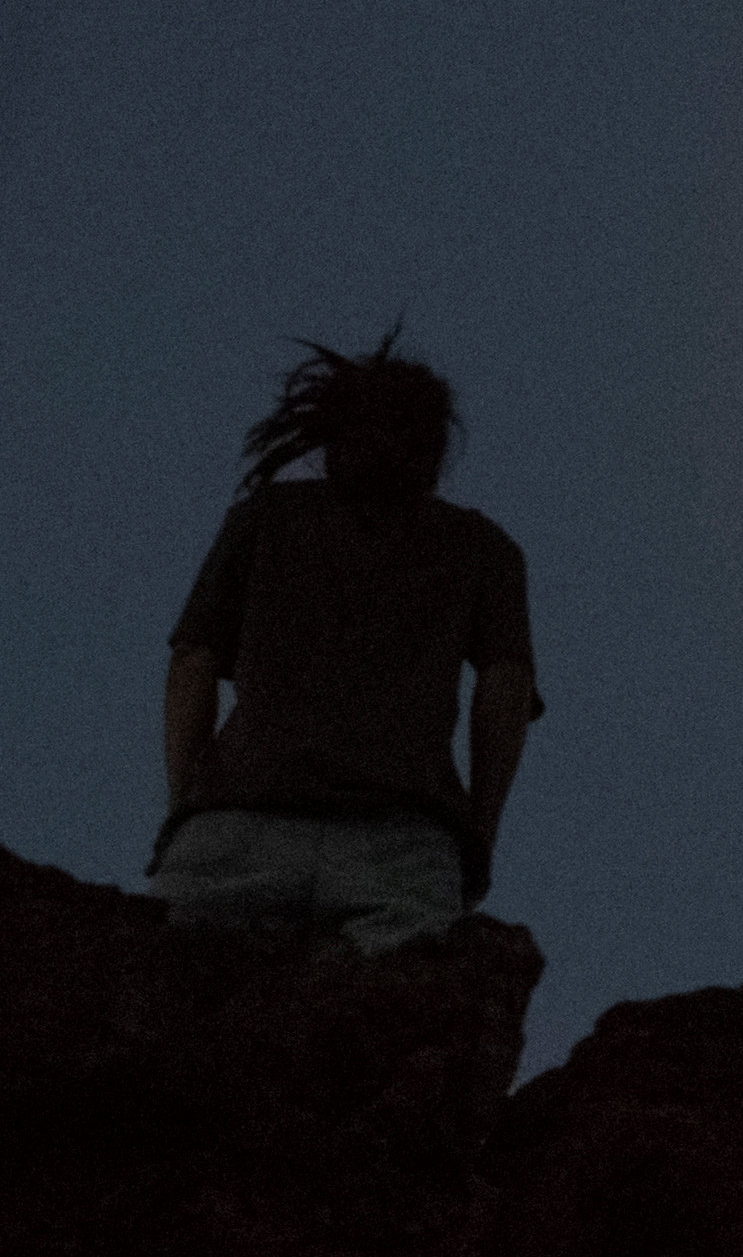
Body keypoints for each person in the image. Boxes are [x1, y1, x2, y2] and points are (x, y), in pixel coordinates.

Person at [150, 327, 541, 954]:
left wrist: (188, 803)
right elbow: (505, 689)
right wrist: (479, 829)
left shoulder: (267, 517)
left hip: (238, 824)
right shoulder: (482, 547)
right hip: (404, 840)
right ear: (433, 447)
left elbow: (193, 663)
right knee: (393, 1036)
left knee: (177, 1020)